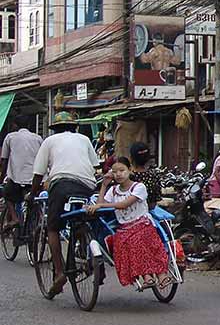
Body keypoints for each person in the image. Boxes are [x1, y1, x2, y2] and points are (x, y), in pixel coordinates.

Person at [29, 112, 99, 298]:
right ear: (73, 127)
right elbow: (95, 165)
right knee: (83, 217)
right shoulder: (84, 139)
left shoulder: (49, 141)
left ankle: (59, 272)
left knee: (53, 228)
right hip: (86, 185)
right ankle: (85, 243)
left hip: (61, 185)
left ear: (55, 129)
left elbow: (38, 173)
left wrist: (32, 194)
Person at [88, 156, 168, 287]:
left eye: (122, 170)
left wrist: (100, 205)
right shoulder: (113, 190)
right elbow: (100, 205)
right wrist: (104, 185)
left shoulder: (139, 187)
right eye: (115, 172)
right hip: (124, 228)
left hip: (142, 223)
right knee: (122, 243)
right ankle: (147, 276)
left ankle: (159, 275)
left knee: (139, 240)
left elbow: (124, 204)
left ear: (130, 170)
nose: (118, 174)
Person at [1, 118, 43, 232]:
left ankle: (15, 218)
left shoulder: (10, 137)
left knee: (6, 194)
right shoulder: (38, 138)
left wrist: (1, 178)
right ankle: (32, 223)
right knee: (33, 200)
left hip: (16, 178)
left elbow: (4, 160)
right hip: (35, 178)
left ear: (15, 125)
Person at [128, 142, 162, 210]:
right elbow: (153, 204)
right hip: (147, 212)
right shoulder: (154, 175)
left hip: (128, 213)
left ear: (131, 158)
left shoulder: (127, 176)